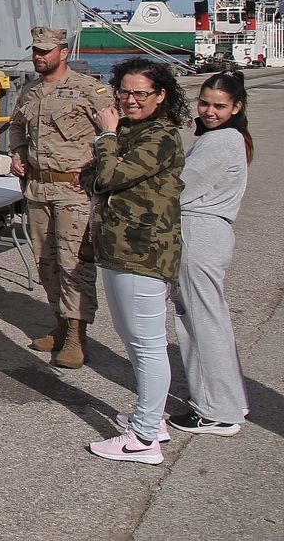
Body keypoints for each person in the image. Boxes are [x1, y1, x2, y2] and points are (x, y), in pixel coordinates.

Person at [87, 58, 189, 464]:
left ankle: (143, 439)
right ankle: (152, 419)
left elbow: (109, 176)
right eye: (125, 92)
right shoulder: (137, 131)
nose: (130, 100)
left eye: (140, 93)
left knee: (147, 346)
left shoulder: (161, 136)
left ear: (161, 96)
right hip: (120, 249)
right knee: (133, 341)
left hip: (141, 252)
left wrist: (106, 135)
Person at [6, 26, 111, 368]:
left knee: (73, 263)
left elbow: (114, 132)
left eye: (45, 51)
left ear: (63, 52)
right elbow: (17, 126)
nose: (38, 56)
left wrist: (100, 171)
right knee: (46, 262)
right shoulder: (30, 92)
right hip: (37, 190)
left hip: (74, 191)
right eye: (35, 50)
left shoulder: (88, 90)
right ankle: (61, 324)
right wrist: (18, 153)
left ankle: (77, 337)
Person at [169, 72, 253, 435]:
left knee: (201, 322)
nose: (209, 111)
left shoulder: (221, 141)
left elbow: (179, 189)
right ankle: (229, 400)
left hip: (199, 232)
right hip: (209, 233)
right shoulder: (228, 138)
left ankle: (217, 410)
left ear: (237, 107)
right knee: (209, 318)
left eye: (220, 106)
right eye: (204, 103)